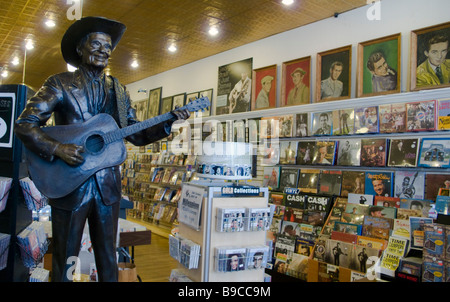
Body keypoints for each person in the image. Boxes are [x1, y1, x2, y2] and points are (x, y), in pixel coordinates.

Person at [14, 17, 190, 282]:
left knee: (109, 257)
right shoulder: (59, 83)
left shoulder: (117, 90)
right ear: (80, 49)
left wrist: (168, 121)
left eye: (108, 47)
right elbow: (25, 124)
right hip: (70, 184)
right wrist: (58, 148)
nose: (104, 51)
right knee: (65, 259)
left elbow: (135, 133)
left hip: (107, 186)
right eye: (96, 44)